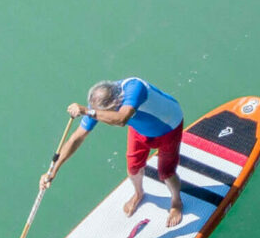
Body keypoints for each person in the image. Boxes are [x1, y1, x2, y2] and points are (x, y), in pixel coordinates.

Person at [42, 77, 188, 229]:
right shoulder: (97, 104)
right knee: (132, 168)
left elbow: (121, 120)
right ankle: (139, 193)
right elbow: (76, 138)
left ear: (117, 102)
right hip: (140, 129)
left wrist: (88, 111)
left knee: (166, 172)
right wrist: (53, 171)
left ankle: (176, 202)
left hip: (169, 126)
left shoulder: (135, 88)